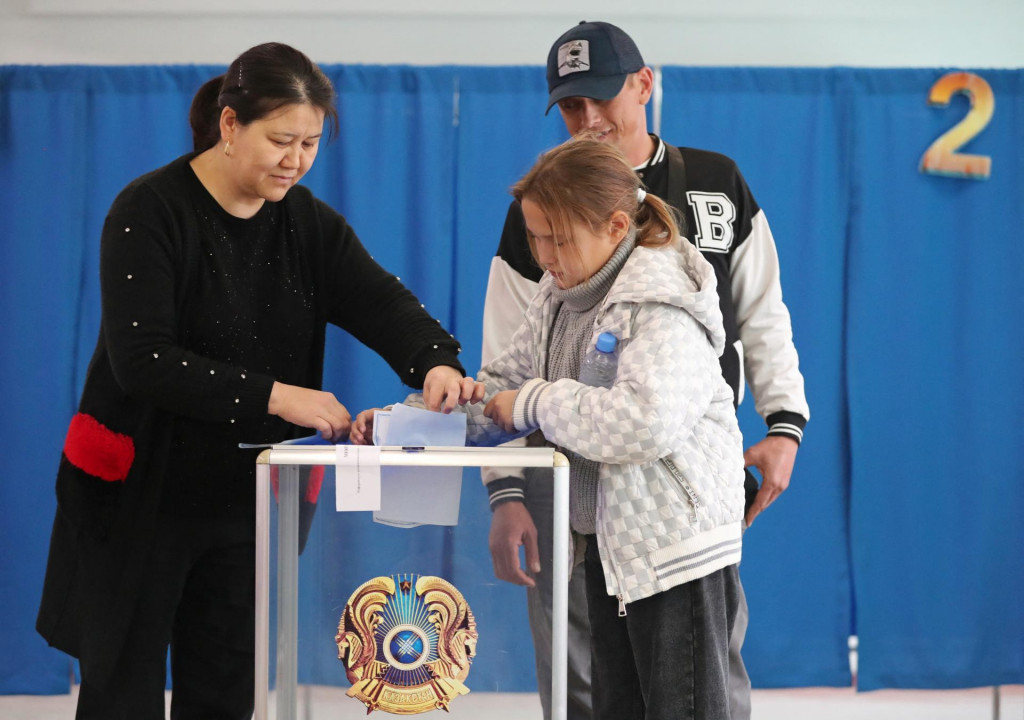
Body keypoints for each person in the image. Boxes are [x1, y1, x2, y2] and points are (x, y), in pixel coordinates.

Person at [35, 42, 478, 720]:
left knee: (226, 690)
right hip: (137, 496)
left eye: (309, 143)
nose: (295, 160)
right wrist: (278, 395)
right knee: (119, 688)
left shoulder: (308, 225)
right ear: (230, 124)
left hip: (247, 502)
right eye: (280, 140)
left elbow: (382, 302)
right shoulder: (149, 210)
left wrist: (435, 361)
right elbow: (143, 359)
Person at [481, 21, 810, 720]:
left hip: (672, 512)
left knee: (697, 679)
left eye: (603, 97)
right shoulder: (543, 213)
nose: (590, 118)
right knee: (597, 688)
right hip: (581, 501)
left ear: (644, 84)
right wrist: (495, 468)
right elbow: (510, 356)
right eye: (572, 106)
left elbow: (762, 313)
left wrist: (785, 422)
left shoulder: (701, 213)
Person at [356, 134, 747, 718]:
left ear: (617, 227)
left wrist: (531, 402)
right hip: (610, 553)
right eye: (534, 236)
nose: (542, 254)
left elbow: (644, 422)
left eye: (557, 238)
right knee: (615, 708)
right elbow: (499, 390)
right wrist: (404, 420)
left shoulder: (663, 304)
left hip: (674, 556)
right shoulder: (558, 295)